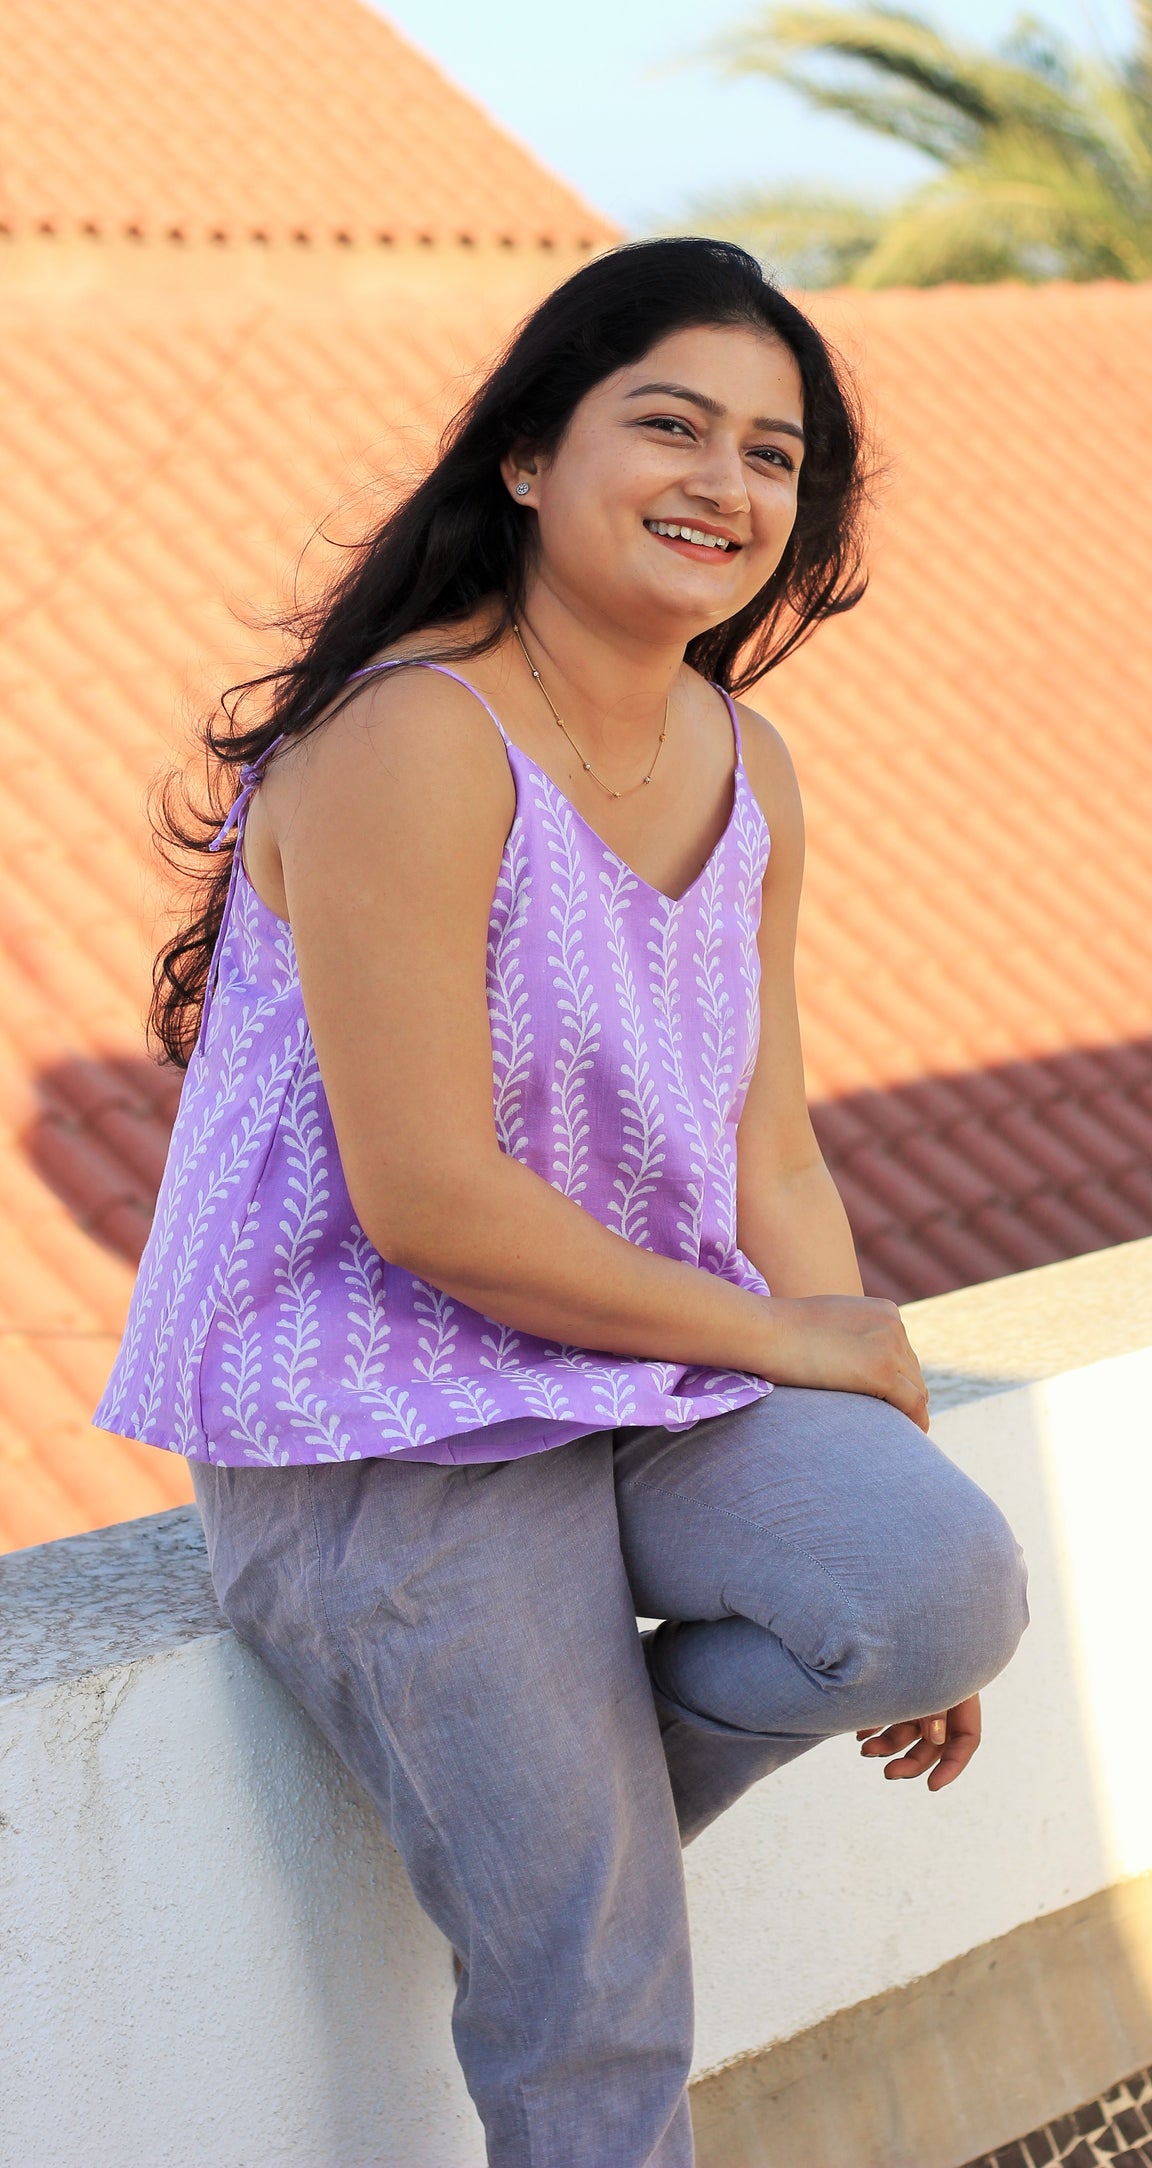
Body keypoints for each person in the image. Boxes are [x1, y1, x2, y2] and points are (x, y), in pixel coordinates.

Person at [96, 237, 1028, 2167]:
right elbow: (427, 1199)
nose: (727, 485)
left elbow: (772, 1146)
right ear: (527, 455)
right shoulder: (412, 738)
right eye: (668, 425)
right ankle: (539, 1854)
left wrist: (855, 1426)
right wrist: (796, 1337)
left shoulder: (751, 765)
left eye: (774, 455)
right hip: (375, 1413)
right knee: (594, 2009)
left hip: (629, 1375)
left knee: (934, 1585)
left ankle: (525, 1819)